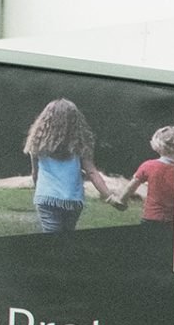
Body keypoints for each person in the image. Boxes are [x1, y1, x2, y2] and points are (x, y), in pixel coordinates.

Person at [22, 98, 114, 234]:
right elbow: (92, 172)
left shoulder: (37, 143)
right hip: (73, 199)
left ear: (46, 119)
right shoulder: (79, 145)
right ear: (75, 121)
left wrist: (39, 190)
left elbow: (35, 173)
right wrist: (110, 197)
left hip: (46, 198)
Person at [109, 124, 174, 224]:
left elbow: (131, 187)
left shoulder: (149, 166)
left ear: (158, 145)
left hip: (151, 217)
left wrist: (121, 200)